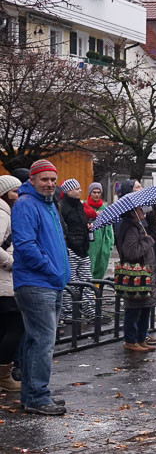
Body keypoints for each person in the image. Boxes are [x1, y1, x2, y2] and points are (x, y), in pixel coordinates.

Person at [11, 160, 71, 415]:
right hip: (37, 283)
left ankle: (33, 394)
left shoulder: (46, 205)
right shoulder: (26, 205)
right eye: (44, 179)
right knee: (42, 342)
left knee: (37, 341)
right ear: (32, 180)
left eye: (52, 180)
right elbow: (25, 245)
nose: (49, 184)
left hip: (49, 282)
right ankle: (37, 396)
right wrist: (51, 268)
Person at [114, 204, 156, 352]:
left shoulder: (137, 225)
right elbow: (132, 252)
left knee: (145, 307)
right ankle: (131, 340)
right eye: (140, 209)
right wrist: (148, 240)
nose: (143, 212)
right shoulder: (130, 228)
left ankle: (140, 338)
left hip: (144, 274)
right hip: (135, 275)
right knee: (134, 309)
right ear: (132, 212)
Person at [58, 178, 95, 321]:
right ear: (68, 191)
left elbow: (80, 223)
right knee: (71, 285)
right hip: (71, 250)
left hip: (83, 249)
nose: (80, 190)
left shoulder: (79, 206)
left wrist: (87, 227)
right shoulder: (62, 207)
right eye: (77, 188)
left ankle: (90, 312)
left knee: (86, 282)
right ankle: (69, 314)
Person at [0, 174, 23, 391]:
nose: (18, 194)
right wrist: (12, 262)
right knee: (16, 325)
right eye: (15, 191)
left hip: (4, 281)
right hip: (4, 282)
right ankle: (4, 375)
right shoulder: (2, 213)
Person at [85, 182, 113, 280]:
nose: (96, 195)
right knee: (89, 266)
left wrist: (110, 243)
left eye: (98, 192)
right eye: (94, 192)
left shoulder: (104, 209)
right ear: (90, 193)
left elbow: (109, 228)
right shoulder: (85, 206)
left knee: (101, 266)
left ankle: (97, 289)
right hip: (90, 243)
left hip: (103, 243)